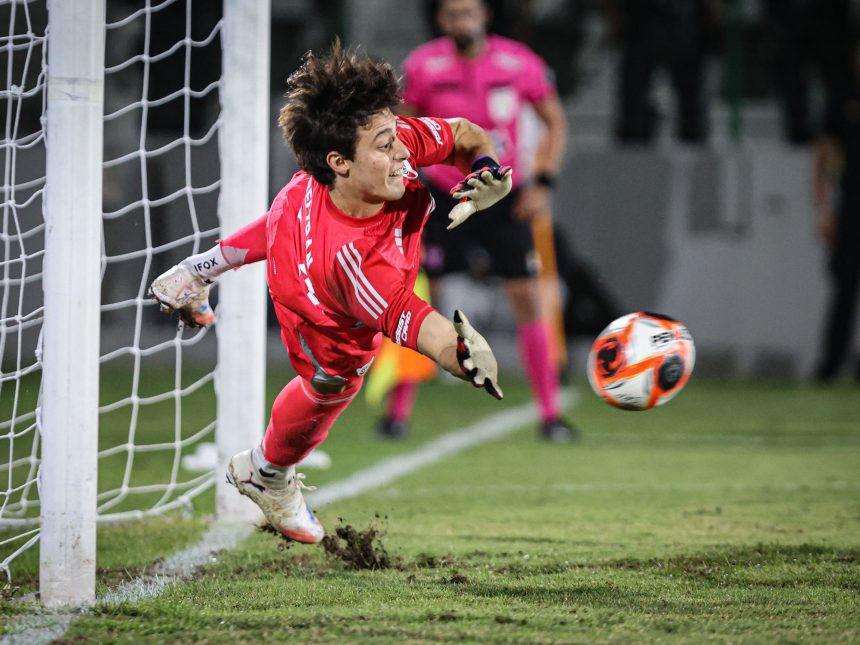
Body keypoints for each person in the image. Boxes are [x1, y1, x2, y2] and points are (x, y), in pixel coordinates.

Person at [149, 42, 511, 544]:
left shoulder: (370, 142)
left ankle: (196, 271)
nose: (404, 153)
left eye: (395, 136)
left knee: (288, 210)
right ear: (340, 161)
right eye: (386, 147)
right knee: (335, 381)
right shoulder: (355, 266)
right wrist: (465, 355)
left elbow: (465, 135)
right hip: (316, 301)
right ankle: (264, 471)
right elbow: (414, 319)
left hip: (298, 208)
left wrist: (487, 167)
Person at [392, 0, 577, 443]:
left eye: (469, 11)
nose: (463, 20)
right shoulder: (423, 65)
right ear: (441, 20)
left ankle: (550, 415)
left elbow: (554, 121)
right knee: (411, 294)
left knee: (527, 299)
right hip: (440, 193)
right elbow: (400, 129)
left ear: (485, 15)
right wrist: (405, 184)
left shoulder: (519, 63)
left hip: (503, 195)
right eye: (453, 13)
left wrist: (543, 182)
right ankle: (396, 414)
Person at [812, 39, 860, 382]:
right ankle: (831, 363)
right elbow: (823, 158)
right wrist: (825, 210)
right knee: (844, 287)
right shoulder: (844, 97)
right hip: (851, 208)